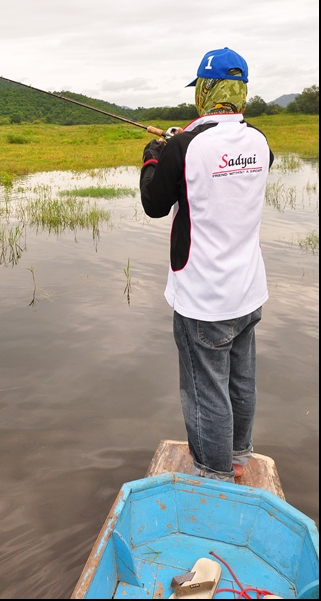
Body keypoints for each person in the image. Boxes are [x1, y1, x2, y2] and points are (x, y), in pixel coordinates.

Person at [140, 47, 274, 483]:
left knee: (206, 392)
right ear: (240, 93)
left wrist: (153, 153)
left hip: (203, 299)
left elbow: (154, 203)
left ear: (205, 90)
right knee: (241, 380)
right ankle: (237, 457)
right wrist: (179, 140)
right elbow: (219, 150)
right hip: (248, 292)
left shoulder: (183, 146)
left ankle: (214, 475)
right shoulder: (259, 141)